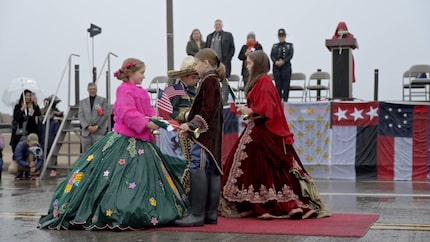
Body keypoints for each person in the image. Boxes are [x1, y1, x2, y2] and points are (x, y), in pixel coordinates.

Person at [38, 58, 190, 230]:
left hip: (143, 142)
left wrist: (157, 120)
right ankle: (122, 210)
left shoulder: (142, 93)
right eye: (141, 73)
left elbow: (147, 112)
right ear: (131, 73)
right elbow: (127, 113)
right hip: (126, 140)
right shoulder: (123, 90)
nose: (144, 76)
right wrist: (147, 123)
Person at [220, 50, 331, 220]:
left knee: (247, 160)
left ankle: (266, 203)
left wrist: (248, 110)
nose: (247, 66)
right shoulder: (261, 82)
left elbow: (266, 110)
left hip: (265, 131)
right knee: (261, 168)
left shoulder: (264, 82)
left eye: (249, 63)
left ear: (257, 64)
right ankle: (256, 203)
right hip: (261, 128)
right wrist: (248, 111)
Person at [175, 48, 224, 226]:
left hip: (205, 137)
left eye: (196, 63)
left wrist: (191, 125)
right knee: (212, 170)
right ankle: (210, 214)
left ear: (205, 63)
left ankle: (197, 215)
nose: (194, 67)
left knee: (198, 167)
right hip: (212, 135)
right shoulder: (213, 81)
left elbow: (207, 110)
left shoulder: (208, 82)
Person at [158, 56, 200, 193]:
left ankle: (196, 194)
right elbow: (170, 112)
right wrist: (186, 115)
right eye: (194, 77)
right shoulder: (173, 91)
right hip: (184, 131)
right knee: (190, 164)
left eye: (197, 77)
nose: (196, 79)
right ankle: (182, 194)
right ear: (185, 76)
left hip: (199, 131)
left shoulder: (199, 89)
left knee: (198, 164)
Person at [78, 83, 110, 153]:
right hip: (86, 134)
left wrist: (97, 126)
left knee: (98, 153)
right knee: (86, 155)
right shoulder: (82, 102)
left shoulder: (103, 100)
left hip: (98, 133)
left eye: (94, 89)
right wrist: (87, 126)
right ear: (88, 90)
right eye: (90, 89)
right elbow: (80, 115)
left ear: (96, 90)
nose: (92, 91)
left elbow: (105, 114)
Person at [270, 28, 294, 102]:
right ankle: (278, 100)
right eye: (280, 36)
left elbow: (290, 55)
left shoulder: (289, 45)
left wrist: (283, 61)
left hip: (286, 67)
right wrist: (276, 62)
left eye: (282, 36)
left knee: (286, 85)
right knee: (278, 85)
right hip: (277, 67)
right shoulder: (274, 46)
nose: (281, 38)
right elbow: (272, 55)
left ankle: (286, 100)